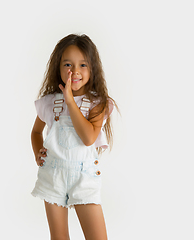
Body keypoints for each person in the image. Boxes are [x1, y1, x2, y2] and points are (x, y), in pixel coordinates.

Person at [31, 33, 117, 240]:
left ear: (93, 68)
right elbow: (35, 131)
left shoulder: (99, 103)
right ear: (58, 68)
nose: (75, 71)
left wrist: (70, 101)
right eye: (68, 64)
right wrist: (37, 153)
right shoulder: (50, 102)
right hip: (52, 175)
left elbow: (88, 138)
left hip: (84, 177)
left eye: (83, 65)